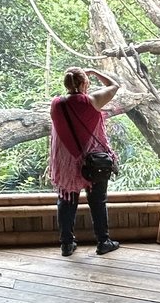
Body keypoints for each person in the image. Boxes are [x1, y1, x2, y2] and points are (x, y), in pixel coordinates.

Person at [50, 66, 121, 256]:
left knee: (66, 200)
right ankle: (103, 241)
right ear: (83, 83)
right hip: (93, 160)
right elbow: (114, 85)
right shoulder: (92, 101)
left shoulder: (56, 104)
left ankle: (66, 244)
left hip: (66, 162)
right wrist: (94, 72)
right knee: (97, 200)